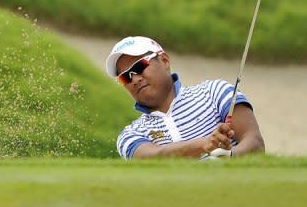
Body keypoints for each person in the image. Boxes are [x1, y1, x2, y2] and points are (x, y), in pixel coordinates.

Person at [105, 36, 265, 160]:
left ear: (165, 61)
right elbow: (151, 158)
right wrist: (204, 145)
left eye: (139, 67)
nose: (134, 79)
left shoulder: (215, 92)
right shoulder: (130, 134)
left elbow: (254, 142)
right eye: (125, 77)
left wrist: (226, 160)